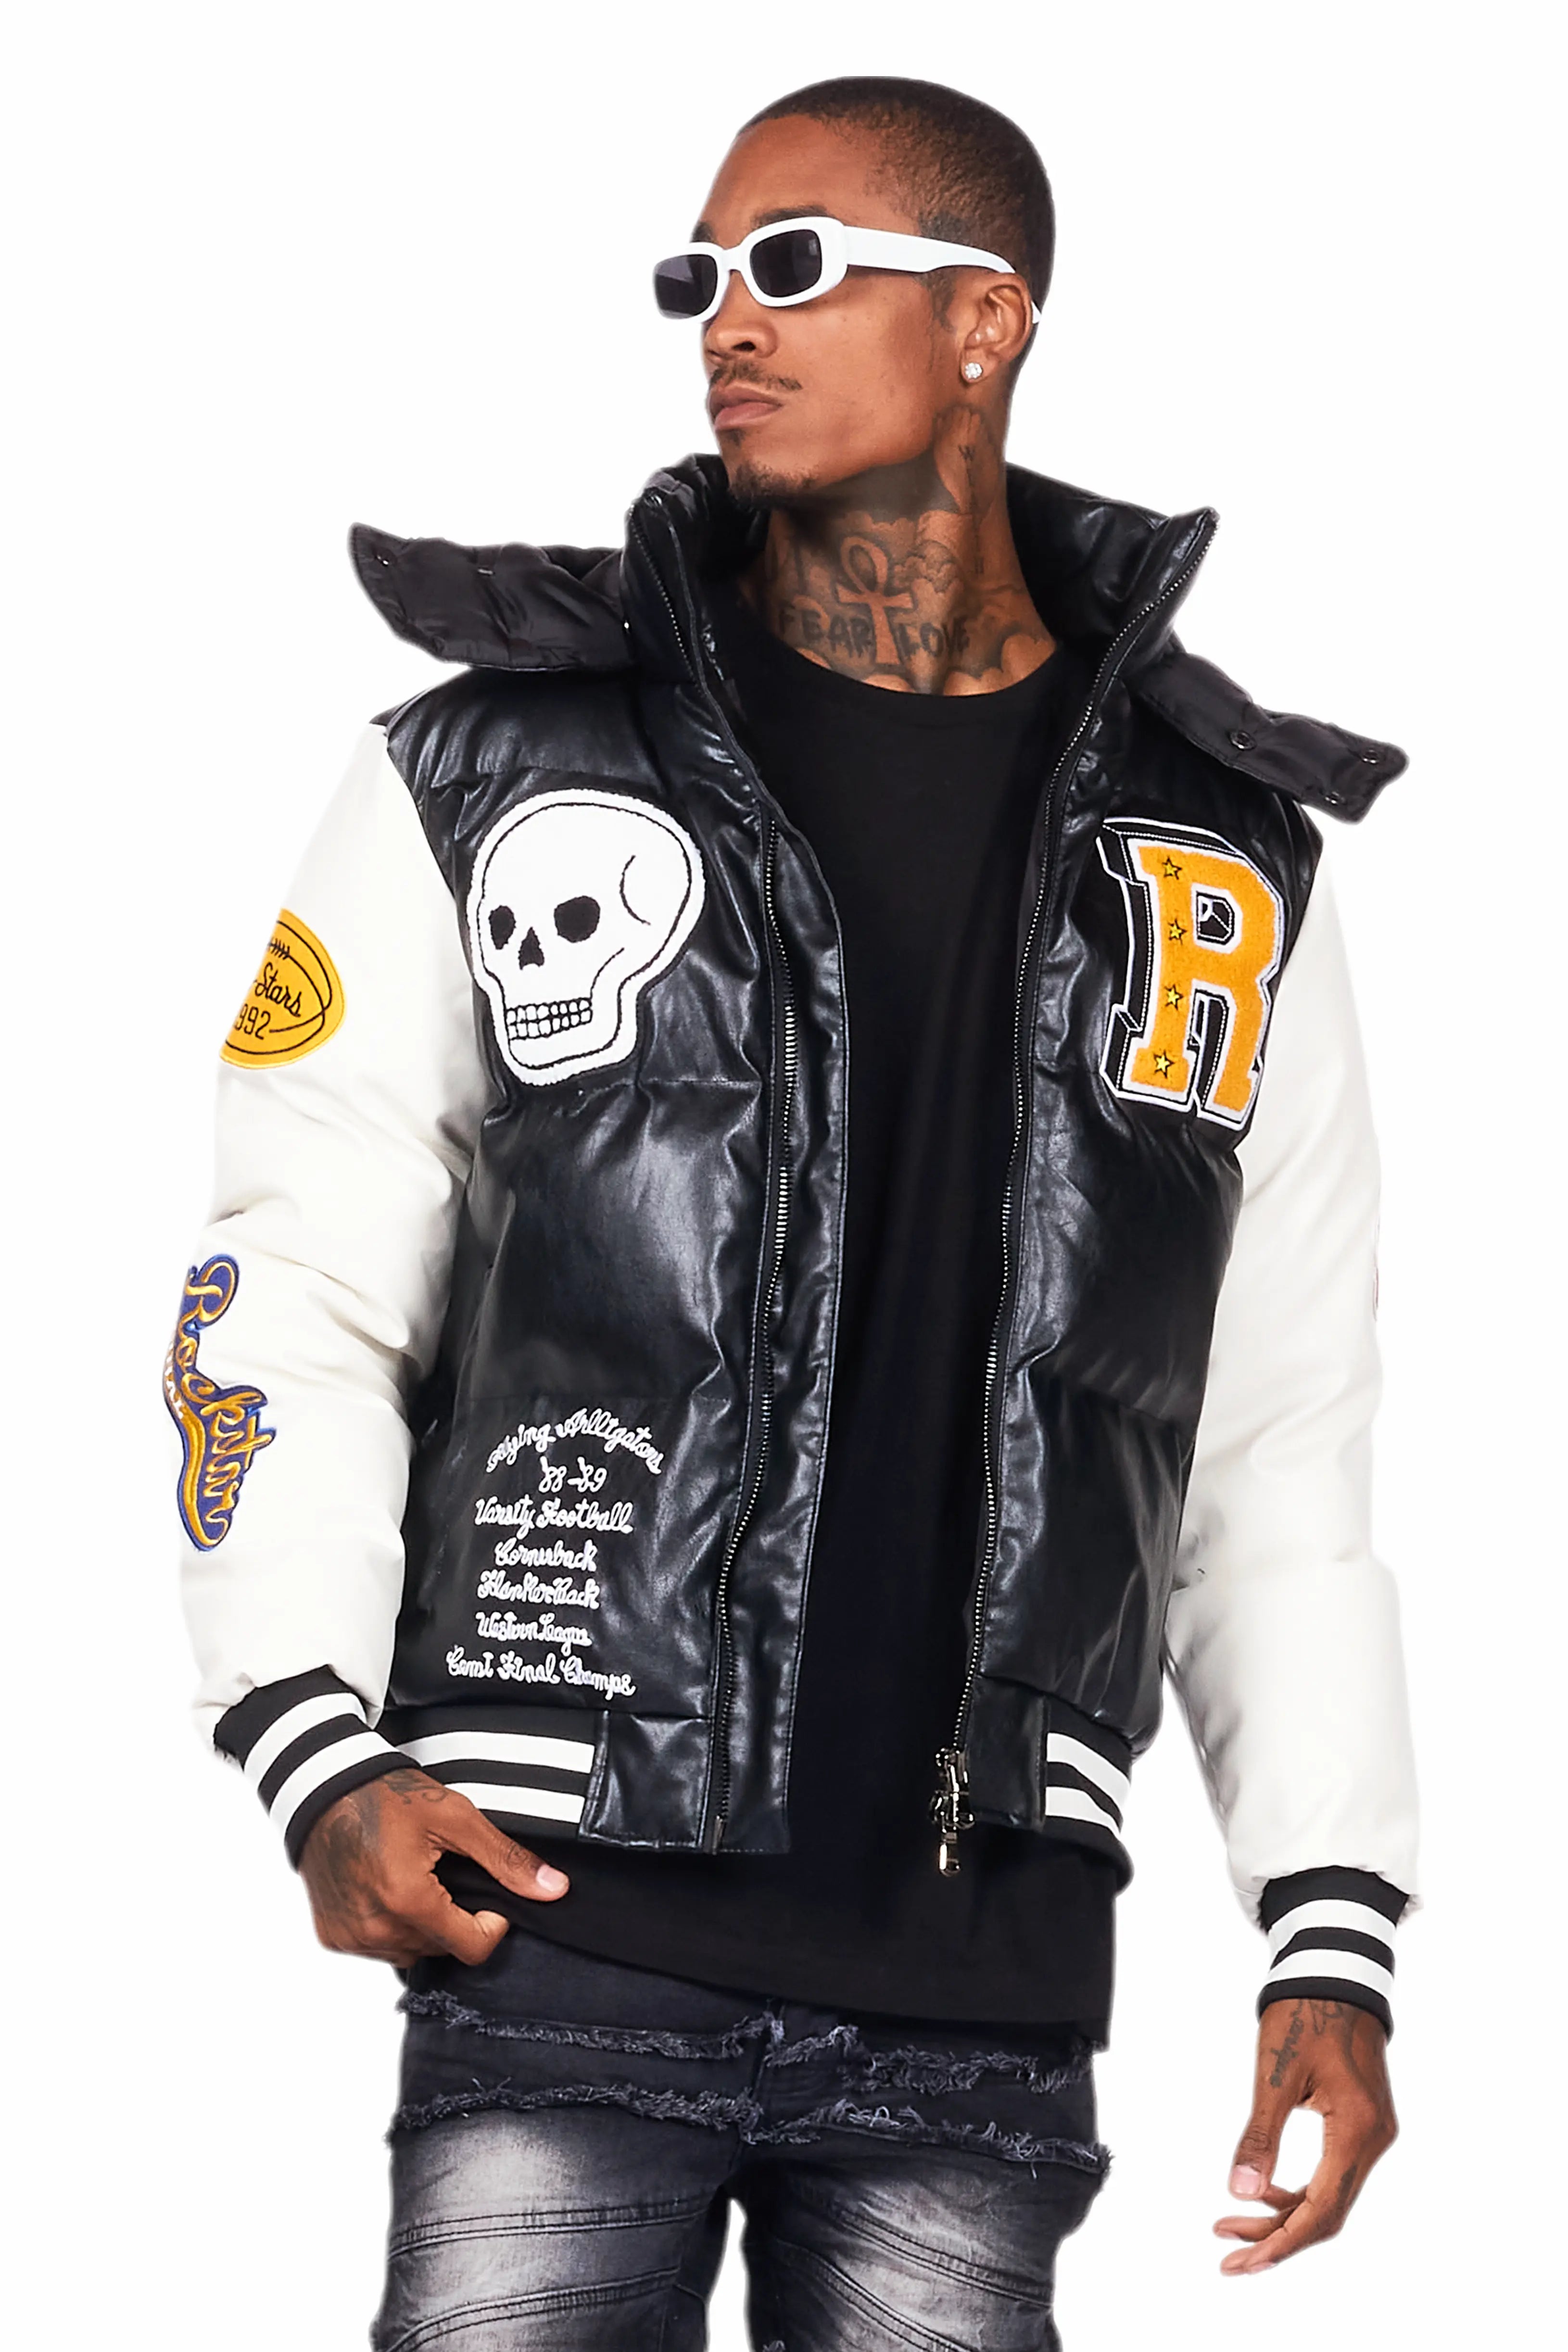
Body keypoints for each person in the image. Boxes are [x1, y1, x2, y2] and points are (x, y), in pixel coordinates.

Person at [168, 75, 1418, 2350]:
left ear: (985, 320)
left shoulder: (1226, 866)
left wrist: (1327, 1927)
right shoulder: (487, 765)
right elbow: (290, 1292)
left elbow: (1268, 1444)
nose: (723, 321)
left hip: (979, 1985)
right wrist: (312, 1734)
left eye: (791, 265)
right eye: (701, 276)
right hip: (558, 1918)